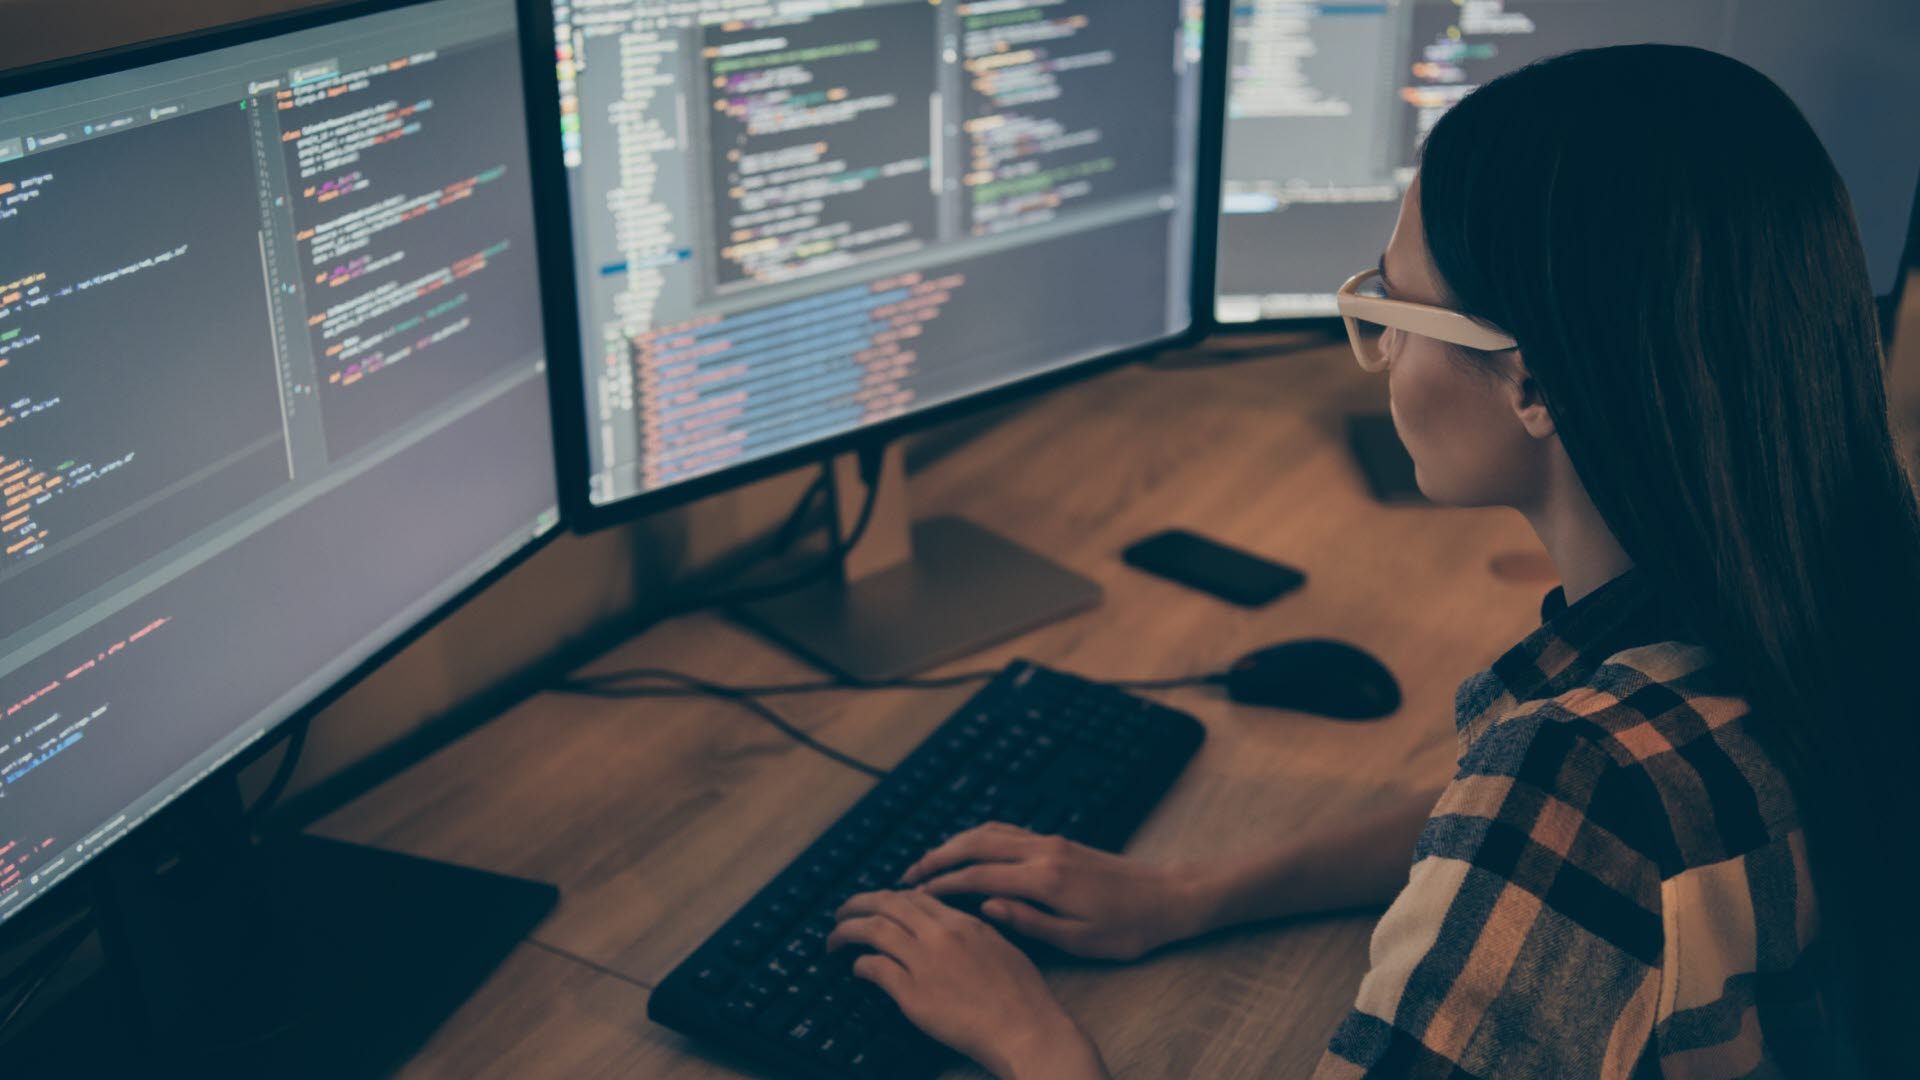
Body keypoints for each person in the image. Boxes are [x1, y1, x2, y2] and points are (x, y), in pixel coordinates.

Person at [826, 44, 1920, 1078]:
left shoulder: (1592, 778)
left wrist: (1025, 1033)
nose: (1383, 351)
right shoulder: (1837, 596)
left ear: (1535, 386)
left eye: (1392, 308)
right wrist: (1189, 895)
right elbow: (1508, 837)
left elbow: (1555, 819)